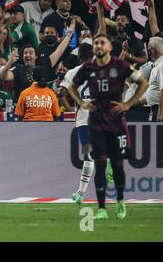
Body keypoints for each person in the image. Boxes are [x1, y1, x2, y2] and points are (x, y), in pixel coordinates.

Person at [68, 33, 148, 220]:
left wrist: (128, 104)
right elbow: (71, 87)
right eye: (96, 42)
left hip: (115, 123)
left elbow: (142, 82)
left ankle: (120, 200)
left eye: (102, 42)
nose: (98, 45)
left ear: (110, 47)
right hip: (95, 124)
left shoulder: (121, 66)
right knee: (100, 165)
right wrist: (82, 102)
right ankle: (102, 209)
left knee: (118, 167)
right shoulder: (87, 68)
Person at [59, 43, 95, 204]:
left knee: (89, 157)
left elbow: (62, 95)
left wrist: (74, 107)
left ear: (79, 56)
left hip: (84, 119)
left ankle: (81, 193)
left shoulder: (74, 72)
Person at [146, 37, 163, 121]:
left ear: (155, 50)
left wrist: (160, 117)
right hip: (154, 109)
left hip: (159, 111)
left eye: (149, 50)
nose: (149, 53)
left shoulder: (161, 66)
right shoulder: (157, 65)